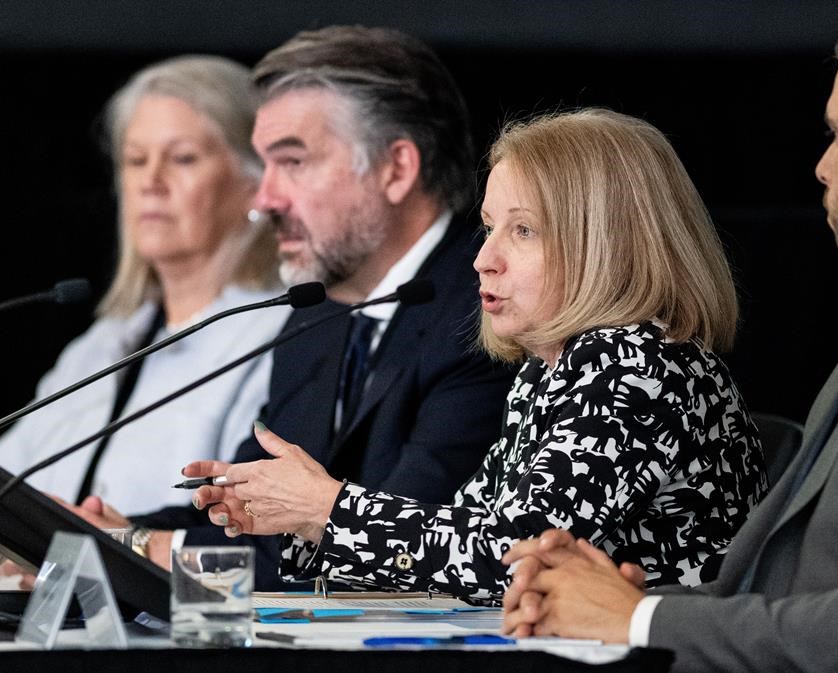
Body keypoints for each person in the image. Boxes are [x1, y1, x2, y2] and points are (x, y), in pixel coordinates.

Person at [500, 5, 838, 673]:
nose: (822, 168)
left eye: (835, 134)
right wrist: (606, 599)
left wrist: (637, 617)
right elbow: (789, 588)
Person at [187, 108, 767, 601]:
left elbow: (508, 560)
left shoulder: (640, 368)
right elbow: (465, 543)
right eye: (489, 227)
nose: (482, 259)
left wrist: (327, 508)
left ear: (605, 245)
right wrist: (303, 521)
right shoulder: (549, 373)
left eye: (523, 231)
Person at [77, 26, 516, 589]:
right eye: (266, 166)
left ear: (396, 170)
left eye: (294, 163)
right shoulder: (317, 313)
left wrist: (139, 548)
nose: (264, 201)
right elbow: (247, 520)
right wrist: (105, 534)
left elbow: (391, 554)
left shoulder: (486, 309)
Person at [0, 55, 287, 516]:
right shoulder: (96, 349)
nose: (150, 182)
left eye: (182, 158)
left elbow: (247, 525)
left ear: (257, 184)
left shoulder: (278, 336)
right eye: (135, 160)